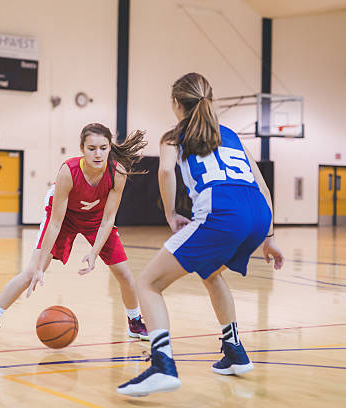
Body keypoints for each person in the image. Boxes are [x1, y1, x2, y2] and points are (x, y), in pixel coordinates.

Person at [117, 73, 285, 397]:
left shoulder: (174, 136)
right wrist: (270, 235)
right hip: (257, 215)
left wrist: (169, 214)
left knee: (148, 283)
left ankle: (161, 364)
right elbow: (262, 184)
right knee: (211, 273)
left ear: (176, 104)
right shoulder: (232, 135)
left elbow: (165, 171)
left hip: (222, 215)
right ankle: (235, 351)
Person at [0, 123, 150, 347]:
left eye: (103, 148)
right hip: (63, 217)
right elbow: (55, 223)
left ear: (109, 147)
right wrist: (40, 262)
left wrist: (94, 253)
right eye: (92, 148)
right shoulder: (69, 171)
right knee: (31, 272)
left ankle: (135, 322)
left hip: (97, 219)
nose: (98, 153)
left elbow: (108, 219)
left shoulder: (117, 172)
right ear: (82, 148)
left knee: (124, 274)